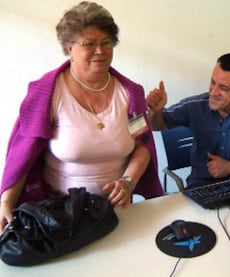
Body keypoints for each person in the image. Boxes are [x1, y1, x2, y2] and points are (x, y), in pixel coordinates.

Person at [0, 1, 163, 232]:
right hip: (59, 215)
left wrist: (128, 182)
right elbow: (22, 155)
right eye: (90, 44)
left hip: (114, 211)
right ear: (69, 48)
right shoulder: (46, 94)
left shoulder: (130, 93)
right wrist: (5, 202)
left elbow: (143, 145)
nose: (100, 50)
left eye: (106, 43)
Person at [147, 53, 230, 189]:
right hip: (202, 187)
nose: (213, 92)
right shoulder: (194, 106)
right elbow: (156, 125)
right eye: (213, 82)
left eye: (224, 88)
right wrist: (155, 111)